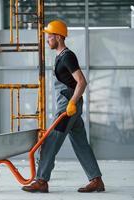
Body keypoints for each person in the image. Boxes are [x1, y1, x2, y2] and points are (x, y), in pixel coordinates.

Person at [22, 20, 105, 193]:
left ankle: (42, 180)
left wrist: (72, 104)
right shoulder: (60, 56)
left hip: (68, 107)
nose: (47, 39)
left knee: (50, 142)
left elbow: (81, 82)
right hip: (68, 106)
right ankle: (96, 180)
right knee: (81, 143)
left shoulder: (67, 56)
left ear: (58, 37)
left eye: (50, 36)